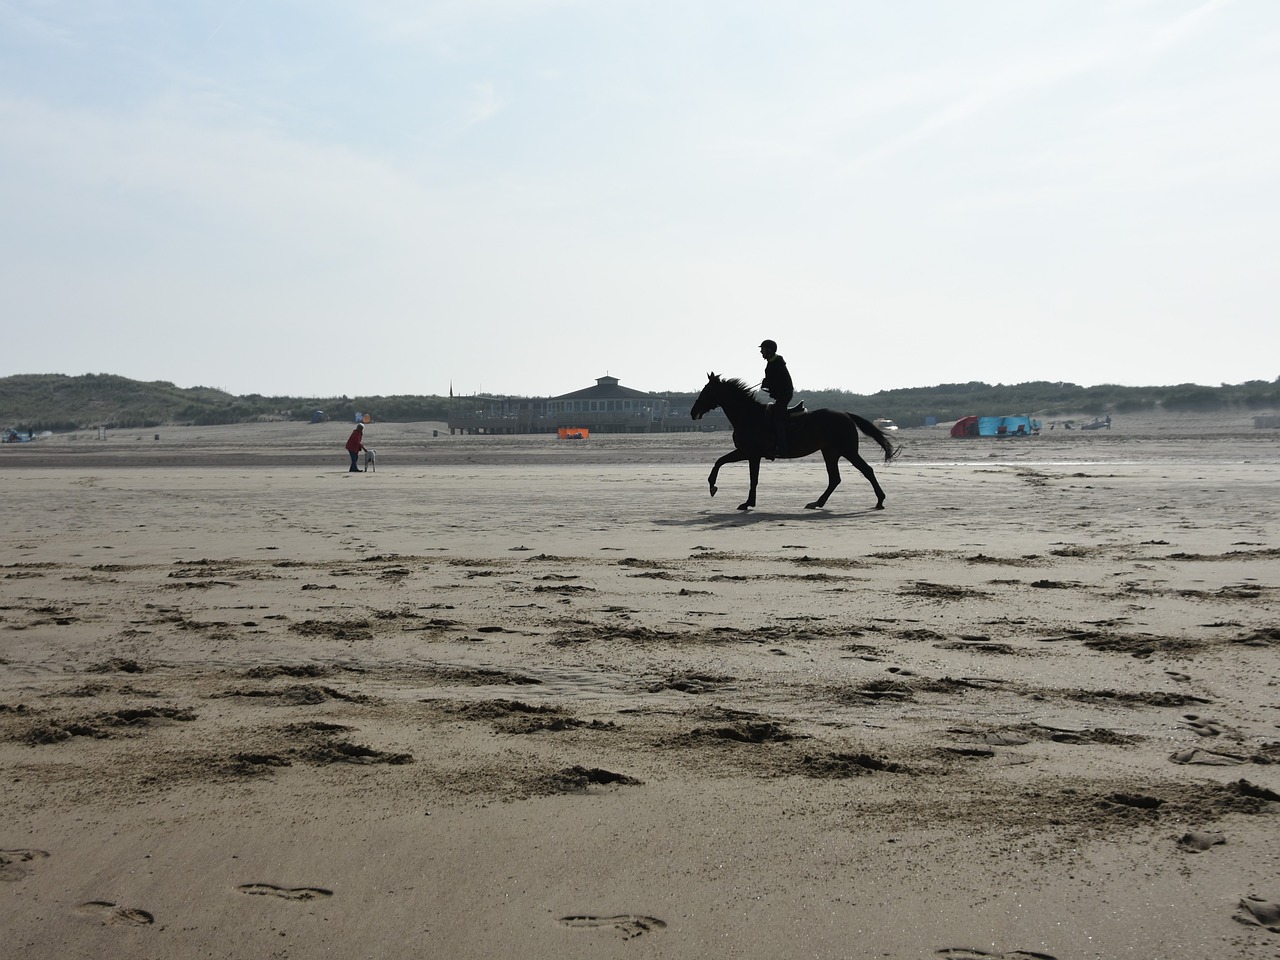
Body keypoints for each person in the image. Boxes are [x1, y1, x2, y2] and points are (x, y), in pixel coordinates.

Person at [759, 339, 793, 458]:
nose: (761, 352)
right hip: (781, 395)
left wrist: (768, 383)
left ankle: (783, 448)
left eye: (762, 349)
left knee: (778, 418)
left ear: (769, 350)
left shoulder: (776, 362)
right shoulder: (771, 363)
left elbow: (779, 382)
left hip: (785, 395)